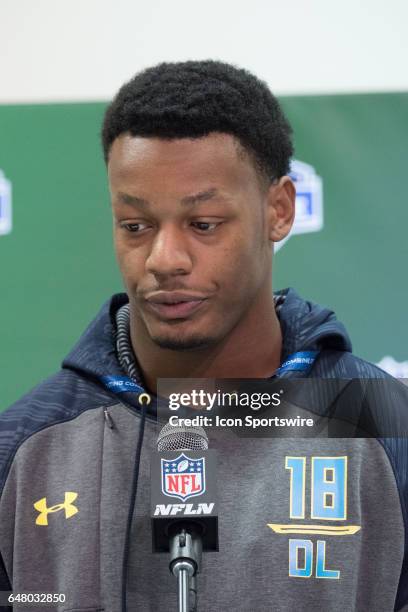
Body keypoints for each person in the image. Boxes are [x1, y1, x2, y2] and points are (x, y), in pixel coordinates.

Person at [1, 60, 408, 612]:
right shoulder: (26, 445)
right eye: (136, 226)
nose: (165, 260)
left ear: (279, 210)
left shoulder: (386, 426)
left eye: (204, 224)